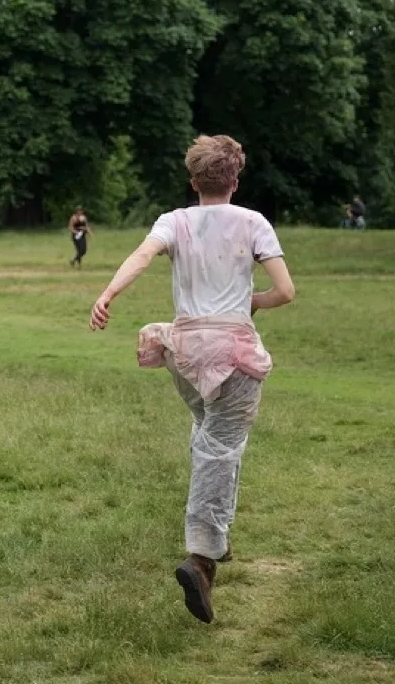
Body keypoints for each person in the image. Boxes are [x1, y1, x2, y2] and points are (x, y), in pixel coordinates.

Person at [89, 135, 296, 624]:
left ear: (194, 181)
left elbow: (141, 257)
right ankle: (200, 559)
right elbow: (285, 291)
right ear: (235, 180)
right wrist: (249, 303)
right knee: (219, 449)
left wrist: (108, 293)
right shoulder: (253, 222)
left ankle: (216, 540)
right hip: (232, 354)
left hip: (184, 352)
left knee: (212, 437)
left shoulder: (174, 221)